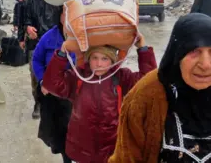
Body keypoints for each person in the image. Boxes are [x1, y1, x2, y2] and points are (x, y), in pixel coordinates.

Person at [109, 13, 211, 163]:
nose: (206, 65)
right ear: (177, 54)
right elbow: (126, 157)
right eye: (194, 51)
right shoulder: (145, 95)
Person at [43, 33, 157, 163]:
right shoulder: (78, 77)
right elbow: (52, 84)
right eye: (94, 58)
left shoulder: (120, 77)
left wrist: (142, 48)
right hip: (81, 151)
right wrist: (62, 53)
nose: (99, 64)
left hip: (112, 150)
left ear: (112, 60)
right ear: (88, 59)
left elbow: (148, 82)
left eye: (105, 59)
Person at [32, 7, 75, 163]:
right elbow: (36, 60)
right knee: (59, 131)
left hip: (74, 94)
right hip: (53, 94)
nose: (70, 17)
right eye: (66, 13)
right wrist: (43, 80)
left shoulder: (84, 37)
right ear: (60, 16)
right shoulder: (49, 37)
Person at [19, 0, 59, 119]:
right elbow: (26, 20)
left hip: (54, 44)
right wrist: (28, 28)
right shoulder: (32, 2)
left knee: (56, 73)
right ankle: (38, 103)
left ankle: (54, 104)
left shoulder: (58, 2)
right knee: (36, 74)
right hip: (35, 44)